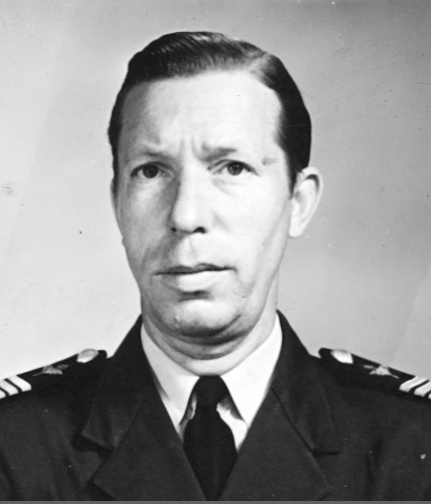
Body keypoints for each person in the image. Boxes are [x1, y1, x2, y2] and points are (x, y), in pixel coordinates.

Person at [1, 31, 431, 501]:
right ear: (117, 203)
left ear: (298, 202)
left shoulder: (411, 444)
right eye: (151, 171)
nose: (186, 215)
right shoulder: (14, 448)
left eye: (232, 167)